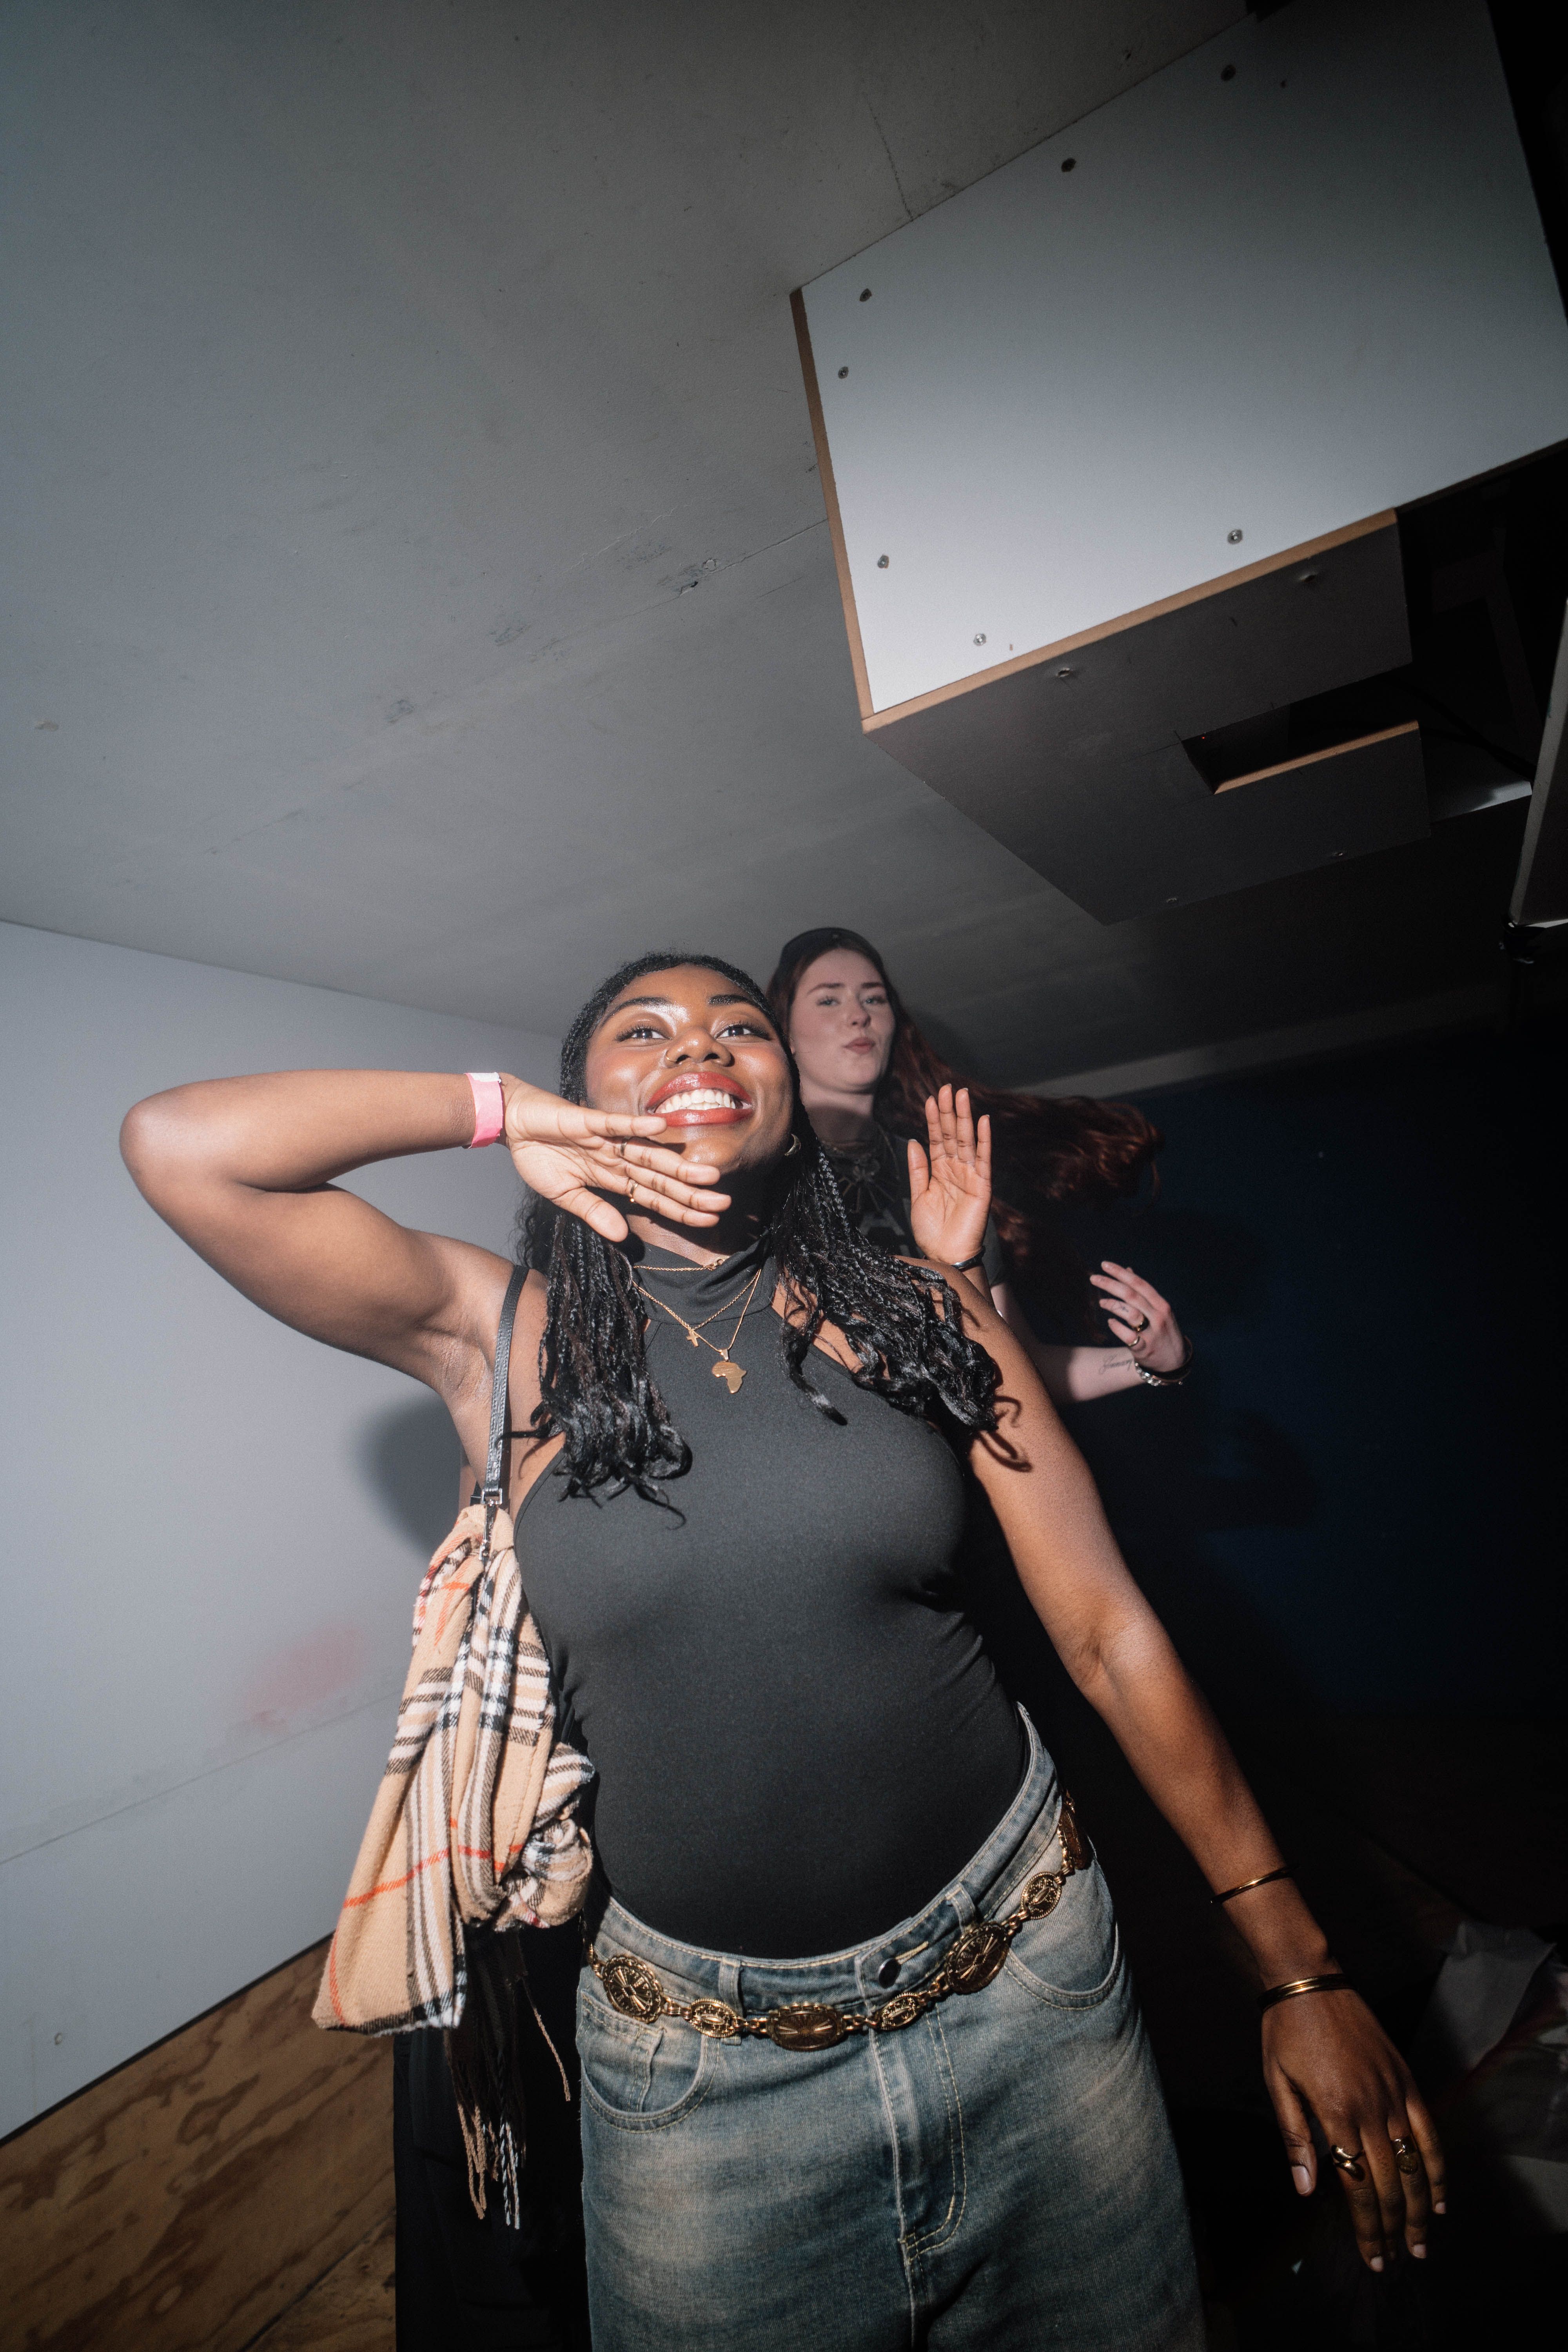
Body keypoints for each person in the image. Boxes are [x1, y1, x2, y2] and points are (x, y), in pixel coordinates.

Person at [122, 952, 1442, 2351]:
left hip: (1033, 1984)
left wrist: (1298, 1968)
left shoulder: (919, 1306)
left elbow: (1108, 1631)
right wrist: (495, 1107)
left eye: (739, 1026)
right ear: (584, 1095)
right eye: (644, 1029)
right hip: (702, 2076)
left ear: (786, 1101)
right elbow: (185, 1147)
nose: (701, 1045)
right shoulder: (497, 1332)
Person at [767, 926, 1189, 1406]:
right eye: (828, 1000)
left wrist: (1150, 1364)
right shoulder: (760, 1170)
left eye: (874, 999)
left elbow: (1010, 1367)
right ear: (784, 1033)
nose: (859, 1015)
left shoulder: (948, 1175)